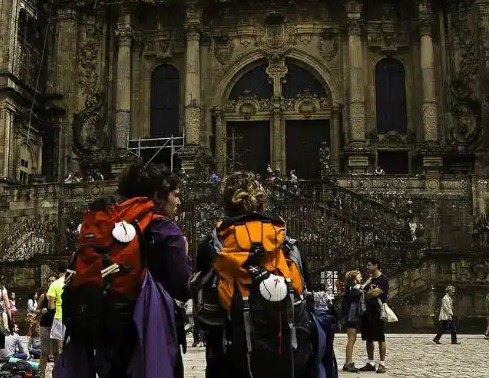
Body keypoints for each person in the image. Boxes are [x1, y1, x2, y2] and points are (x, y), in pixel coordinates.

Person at [60, 161, 191, 378]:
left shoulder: (112, 225)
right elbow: (183, 287)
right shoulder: (166, 230)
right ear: (158, 196)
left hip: (108, 328)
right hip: (150, 333)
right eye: (175, 194)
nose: (178, 201)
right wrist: (184, 255)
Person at [196, 169, 309, 378]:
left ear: (225, 204)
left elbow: (199, 298)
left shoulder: (210, 247)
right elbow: (305, 297)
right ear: (262, 202)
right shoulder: (288, 246)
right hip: (285, 357)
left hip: (229, 357)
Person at [361, 258, 390, 373]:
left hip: (378, 311)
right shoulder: (370, 279)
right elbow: (363, 293)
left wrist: (368, 293)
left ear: (376, 265)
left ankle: (382, 364)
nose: (367, 267)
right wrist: (367, 292)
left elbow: (375, 293)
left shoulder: (383, 279)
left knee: (380, 337)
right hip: (367, 311)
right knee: (368, 338)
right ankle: (371, 362)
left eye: (369, 265)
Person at [44, 261, 69, 370]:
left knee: (58, 350)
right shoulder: (71, 282)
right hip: (71, 317)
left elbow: (50, 305)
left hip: (59, 317)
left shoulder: (54, 284)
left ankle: (60, 370)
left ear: (58, 270)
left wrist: (53, 306)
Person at [342, 269, 365, 372]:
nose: (361, 277)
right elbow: (358, 292)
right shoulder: (352, 287)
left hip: (351, 315)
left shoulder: (352, 286)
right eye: (359, 276)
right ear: (354, 277)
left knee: (353, 338)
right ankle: (349, 363)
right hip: (349, 316)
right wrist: (366, 284)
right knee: (351, 338)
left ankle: (347, 362)